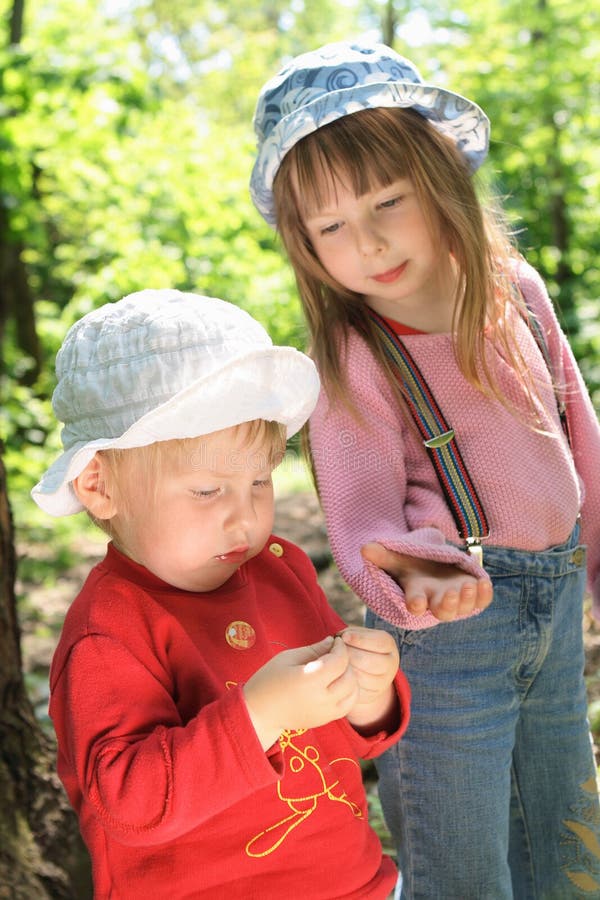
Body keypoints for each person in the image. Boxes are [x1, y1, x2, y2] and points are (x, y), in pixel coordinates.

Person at [249, 39, 600, 899]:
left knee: (569, 837)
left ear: (440, 175)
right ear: (304, 244)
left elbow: (578, 435)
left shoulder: (514, 290)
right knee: (461, 859)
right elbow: (363, 517)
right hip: (449, 641)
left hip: (555, 611)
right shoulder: (355, 351)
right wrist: (420, 568)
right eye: (332, 227)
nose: (366, 243)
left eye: (387, 202)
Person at [31, 289, 411, 900]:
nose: (244, 519)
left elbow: (338, 732)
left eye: (259, 481)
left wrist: (369, 696)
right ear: (100, 486)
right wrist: (260, 714)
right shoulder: (111, 630)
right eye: (208, 492)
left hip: (353, 882)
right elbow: (128, 806)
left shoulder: (278, 571)